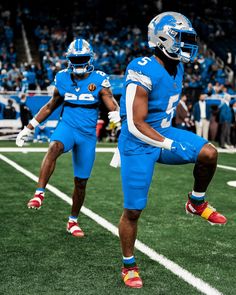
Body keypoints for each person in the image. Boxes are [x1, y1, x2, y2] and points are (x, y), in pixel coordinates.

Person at [114, 12, 227, 288]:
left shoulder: (178, 67)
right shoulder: (141, 68)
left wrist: (169, 138)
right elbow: (135, 124)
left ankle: (196, 201)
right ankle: (128, 266)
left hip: (163, 133)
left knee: (209, 153)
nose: (187, 45)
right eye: (181, 38)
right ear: (162, 39)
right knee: (133, 211)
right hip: (138, 142)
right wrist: (168, 144)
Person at [16, 38, 120, 237]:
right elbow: (50, 105)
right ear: (69, 59)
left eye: (82, 58)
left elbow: (112, 105)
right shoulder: (63, 77)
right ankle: (39, 193)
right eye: (75, 58)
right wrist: (29, 127)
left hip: (88, 135)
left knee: (80, 182)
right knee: (54, 146)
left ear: (90, 58)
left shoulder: (99, 79)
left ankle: (73, 221)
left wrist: (119, 120)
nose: (79, 61)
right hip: (68, 126)